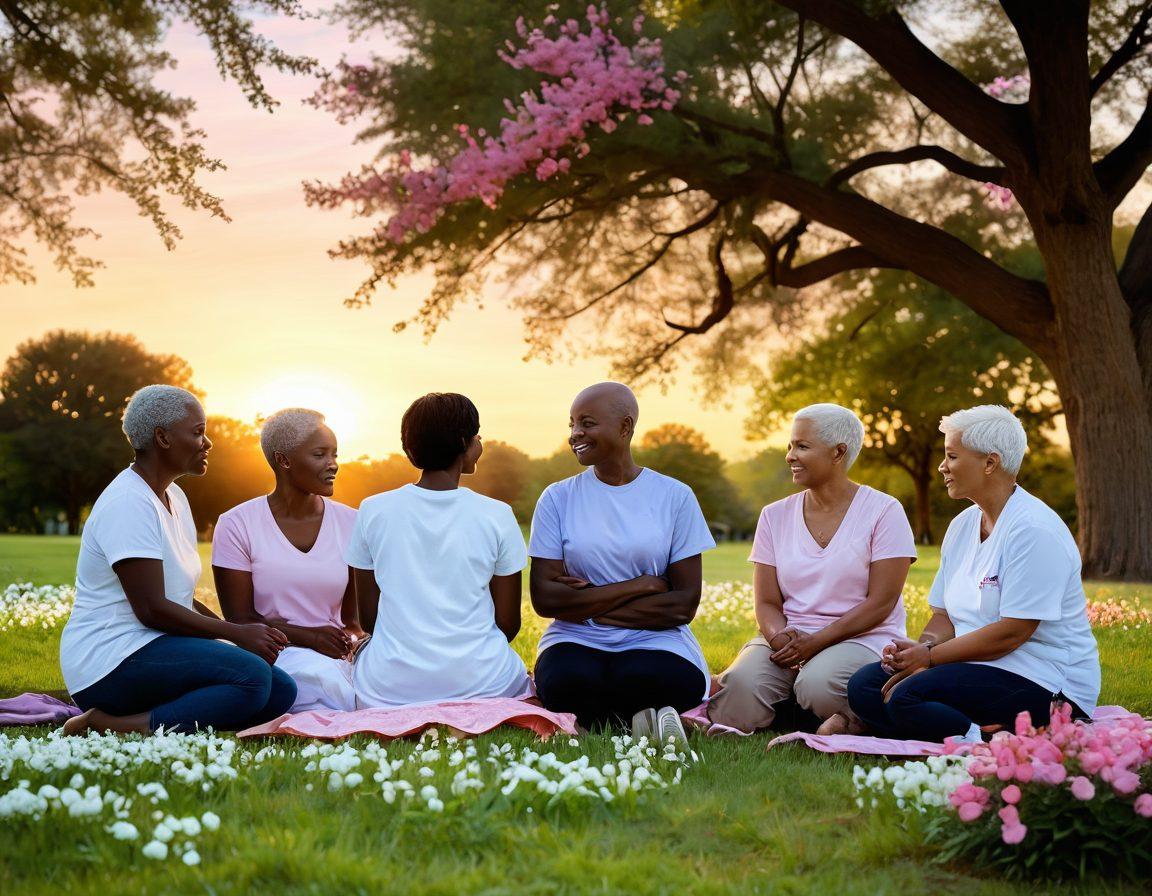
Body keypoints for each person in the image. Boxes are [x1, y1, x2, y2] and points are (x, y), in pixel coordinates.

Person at [846, 405, 1101, 742]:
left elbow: (1012, 632)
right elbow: (944, 617)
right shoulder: (963, 525)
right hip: (976, 666)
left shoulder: (1034, 530)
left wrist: (931, 658)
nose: (942, 466)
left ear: (990, 463)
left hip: (1046, 681)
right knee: (864, 686)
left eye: (952, 456)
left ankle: (981, 738)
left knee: (907, 698)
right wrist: (917, 652)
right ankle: (967, 725)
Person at [60, 385, 296, 735]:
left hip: (154, 647)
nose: (208, 442)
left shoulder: (174, 497)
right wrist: (235, 633)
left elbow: (178, 598)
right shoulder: (129, 502)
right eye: (198, 432)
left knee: (280, 690)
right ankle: (112, 724)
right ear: (163, 438)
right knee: (252, 679)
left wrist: (233, 640)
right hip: (110, 660)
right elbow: (152, 609)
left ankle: (174, 715)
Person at [707, 404, 917, 735]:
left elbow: (881, 603)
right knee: (740, 691)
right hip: (789, 637)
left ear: (838, 453)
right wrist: (778, 637)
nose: (790, 456)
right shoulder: (773, 516)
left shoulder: (884, 511)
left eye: (802, 446)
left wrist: (816, 643)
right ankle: (803, 718)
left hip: (861, 637)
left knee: (818, 685)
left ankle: (851, 717)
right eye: (790, 445)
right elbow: (766, 602)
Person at [529, 382, 716, 741]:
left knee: (650, 678)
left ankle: (601, 720)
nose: (575, 434)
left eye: (586, 423)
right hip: (574, 639)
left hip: (657, 640)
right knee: (565, 682)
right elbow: (546, 600)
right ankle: (642, 719)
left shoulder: (675, 497)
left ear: (625, 427)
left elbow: (682, 605)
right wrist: (642, 585)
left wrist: (586, 604)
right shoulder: (557, 498)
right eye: (571, 424)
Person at [347, 392, 531, 708]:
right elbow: (508, 624)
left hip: (391, 686)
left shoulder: (372, 510)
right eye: (477, 435)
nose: (480, 441)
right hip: (484, 680)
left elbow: (369, 621)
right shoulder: (497, 514)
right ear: (465, 443)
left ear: (409, 447)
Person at [212, 408, 362, 713]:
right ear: (284, 460)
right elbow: (239, 620)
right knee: (318, 682)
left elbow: (353, 621)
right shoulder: (237, 523)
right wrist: (309, 637)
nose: (333, 464)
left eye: (335, 454)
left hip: (335, 654)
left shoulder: (353, 523)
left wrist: (357, 644)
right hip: (276, 652)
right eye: (320, 454)